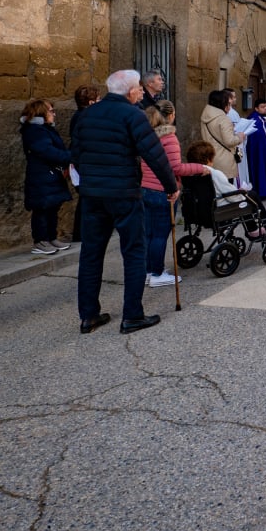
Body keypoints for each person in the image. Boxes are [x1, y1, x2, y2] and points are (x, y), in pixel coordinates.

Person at [71, 69, 178, 336]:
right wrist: (171, 186)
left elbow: (76, 154)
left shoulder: (86, 115)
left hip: (93, 194)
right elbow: (154, 154)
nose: (141, 91)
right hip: (124, 192)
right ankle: (132, 315)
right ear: (131, 91)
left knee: (91, 253)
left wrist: (91, 179)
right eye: (139, 88)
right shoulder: (133, 115)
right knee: (133, 251)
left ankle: (88, 315)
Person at [140, 101, 209, 287]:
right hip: (162, 191)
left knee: (149, 234)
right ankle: (157, 273)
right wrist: (200, 168)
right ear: (170, 115)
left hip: (146, 188)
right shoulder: (168, 137)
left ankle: (148, 271)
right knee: (160, 235)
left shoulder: (146, 135)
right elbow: (175, 168)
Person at [185, 141, 266, 244]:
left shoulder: (190, 176)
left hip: (201, 212)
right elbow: (232, 196)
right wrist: (242, 193)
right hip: (218, 209)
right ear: (208, 159)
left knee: (244, 199)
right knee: (250, 196)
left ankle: (253, 229)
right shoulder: (214, 174)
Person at [19, 99, 73, 255]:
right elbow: (47, 151)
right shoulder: (35, 131)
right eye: (51, 111)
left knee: (52, 207)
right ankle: (40, 240)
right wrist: (69, 157)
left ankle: (51, 237)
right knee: (42, 208)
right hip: (41, 175)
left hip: (51, 174)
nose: (54, 114)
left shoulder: (45, 129)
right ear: (41, 113)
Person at [68, 84, 99, 243]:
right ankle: (81, 233)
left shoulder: (81, 116)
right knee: (86, 200)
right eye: (98, 99)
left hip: (82, 162)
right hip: (82, 164)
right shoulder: (84, 117)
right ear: (91, 102)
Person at [200, 89, 243, 183]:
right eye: (229, 104)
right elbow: (230, 141)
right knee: (227, 188)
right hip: (224, 160)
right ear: (223, 103)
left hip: (210, 157)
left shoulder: (206, 115)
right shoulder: (223, 119)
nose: (229, 107)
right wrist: (240, 137)